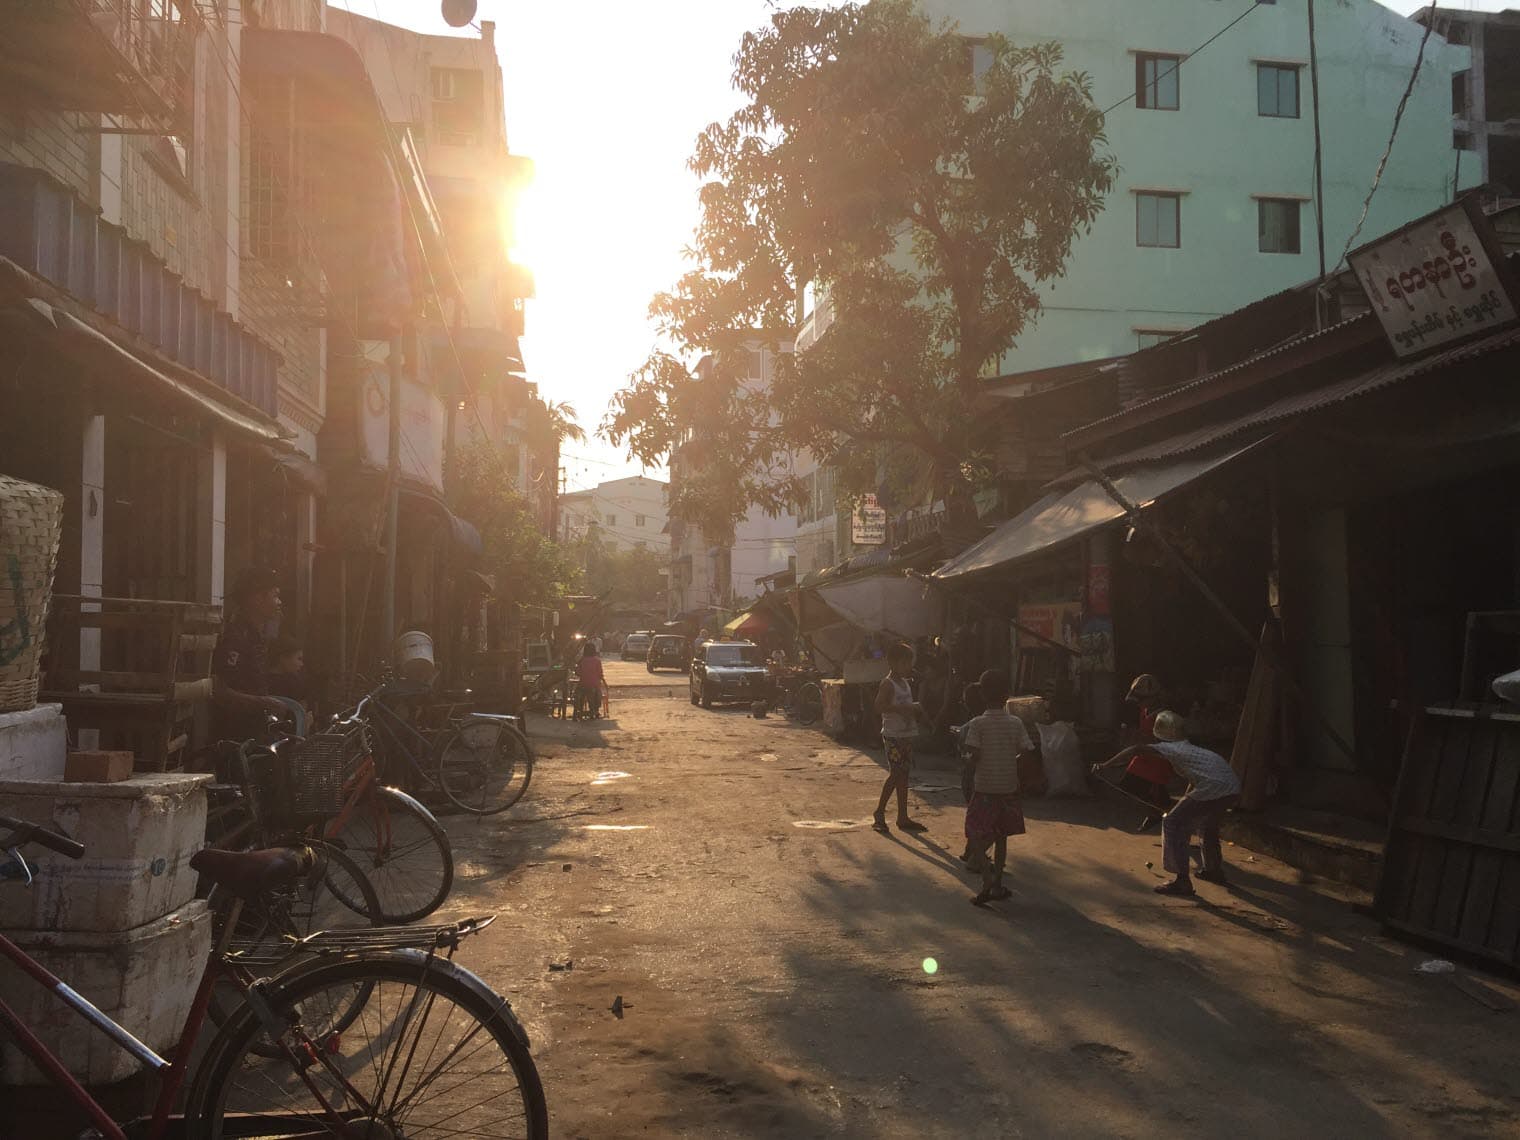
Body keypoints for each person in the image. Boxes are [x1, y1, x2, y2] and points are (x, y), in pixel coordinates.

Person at [1096, 710, 1241, 897]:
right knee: (1207, 826)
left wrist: (1105, 765)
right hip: (1232, 787)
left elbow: (1135, 750)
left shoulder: (1170, 748)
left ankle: (1182, 881)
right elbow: (1196, 778)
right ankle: (1213, 870)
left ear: (1158, 734)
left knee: (1172, 823)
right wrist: (1186, 802)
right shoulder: (1191, 749)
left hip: (1213, 787)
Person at [963, 669, 1034, 907]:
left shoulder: (977, 724)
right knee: (1002, 836)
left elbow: (974, 755)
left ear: (983, 694)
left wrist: (967, 760)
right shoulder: (1015, 723)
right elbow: (1027, 751)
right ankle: (998, 884)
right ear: (1007, 695)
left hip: (984, 787)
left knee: (974, 834)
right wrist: (1011, 765)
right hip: (1008, 787)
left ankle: (986, 878)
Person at [211, 567, 289, 743]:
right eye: (275, 596)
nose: (279, 602)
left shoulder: (258, 635)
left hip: (256, 732)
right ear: (257, 599)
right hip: (235, 736)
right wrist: (264, 703)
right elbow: (220, 691)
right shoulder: (235, 637)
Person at [872, 642, 925, 833]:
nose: (909, 666)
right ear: (893, 663)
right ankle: (879, 812)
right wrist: (903, 708)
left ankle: (903, 816)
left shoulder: (905, 683)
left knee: (904, 775)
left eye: (909, 662)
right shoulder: (888, 684)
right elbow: (878, 706)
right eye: (905, 663)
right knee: (896, 773)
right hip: (893, 735)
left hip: (906, 734)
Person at [1119, 673, 1173, 831]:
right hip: (1144, 755)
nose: (1139, 703)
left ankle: (1159, 814)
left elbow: (1167, 740)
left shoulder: (1163, 715)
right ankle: (1158, 812)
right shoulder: (1144, 710)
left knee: (1150, 789)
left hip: (1158, 757)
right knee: (1130, 785)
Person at [954, 680, 984, 862]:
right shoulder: (997, 725)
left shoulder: (966, 728)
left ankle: (971, 849)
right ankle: (975, 851)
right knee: (983, 816)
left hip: (969, 776)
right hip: (986, 776)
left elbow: (962, 752)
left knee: (973, 814)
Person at [576, 640, 606, 719]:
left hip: (583, 683)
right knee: (597, 692)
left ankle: (580, 708)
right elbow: (600, 674)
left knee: (578, 692)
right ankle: (595, 710)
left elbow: (578, 673)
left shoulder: (581, 660)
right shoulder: (597, 661)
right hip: (595, 684)